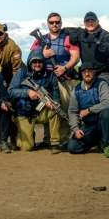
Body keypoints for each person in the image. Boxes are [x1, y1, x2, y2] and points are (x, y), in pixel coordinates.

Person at [30, 12, 80, 150]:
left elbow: (75, 57)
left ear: (61, 23)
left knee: (63, 108)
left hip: (63, 78)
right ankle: (48, 139)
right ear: (47, 23)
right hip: (45, 79)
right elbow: (32, 55)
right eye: (51, 22)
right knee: (48, 107)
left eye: (57, 22)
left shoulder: (67, 39)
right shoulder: (40, 40)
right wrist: (43, 54)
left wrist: (64, 68)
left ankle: (63, 140)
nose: (54, 25)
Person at [9, 49, 62, 154]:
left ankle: (55, 143)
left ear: (44, 62)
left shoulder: (50, 74)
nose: (37, 64)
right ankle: (24, 135)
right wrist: (28, 92)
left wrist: (54, 102)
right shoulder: (22, 72)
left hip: (42, 111)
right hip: (25, 113)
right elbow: (11, 91)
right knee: (27, 147)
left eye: (40, 61)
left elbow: (56, 94)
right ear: (29, 62)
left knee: (56, 110)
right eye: (34, 62)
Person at [67, 61, 109, 158]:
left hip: (103, 122)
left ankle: (107, 146)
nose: (87, 74)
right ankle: (98, 141)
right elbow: (72, 111)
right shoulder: (76, 90)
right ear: (81, 74)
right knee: (72, 148)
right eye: (84, 72)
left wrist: (88, 110)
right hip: (89, 125)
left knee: (107, 113)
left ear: (94, 72)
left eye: (89, 71)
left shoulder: (101, 84)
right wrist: (76, 129)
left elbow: (107, 103)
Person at [65, 12, 109, 93]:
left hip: (102, 73)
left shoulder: (105, 35)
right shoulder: (80, 33)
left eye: (92, 21)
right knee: (87, 101)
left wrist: (99, 43)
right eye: (87, 21)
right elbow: (63, 30)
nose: (90, 23)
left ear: (97, 22)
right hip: (86, 74)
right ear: (84, 22)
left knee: (107, 99)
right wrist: (72, 33)